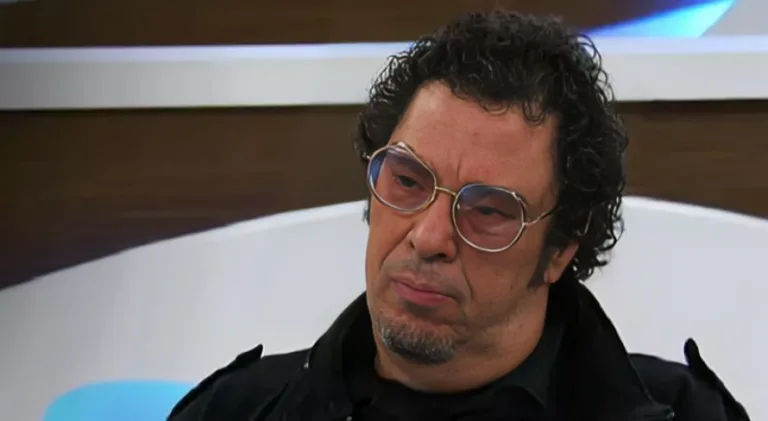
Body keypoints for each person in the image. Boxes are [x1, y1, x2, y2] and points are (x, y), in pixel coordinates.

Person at [167, 10, 750, 421]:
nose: (428, 237)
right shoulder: (234, 411)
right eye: (407, 181)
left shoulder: (687, 413)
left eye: (489, 210)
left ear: (560, 251)